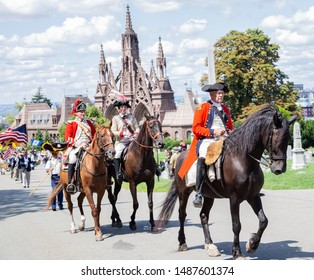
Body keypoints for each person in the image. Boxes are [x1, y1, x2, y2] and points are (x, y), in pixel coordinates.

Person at [178, 82, 234, 208]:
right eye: (218, 93)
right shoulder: (202, 107)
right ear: (212, 94)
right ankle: (198, 192)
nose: (221, 95)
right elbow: (196, 128)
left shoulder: (225, 109)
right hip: (207, 139)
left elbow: (230, 127)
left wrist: (232, 132)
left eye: (222, 93)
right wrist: (213, 132)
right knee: (204, 153)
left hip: (224, 138)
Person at [64, 99, 96, 194]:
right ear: (76, 113)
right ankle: (70, 183)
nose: (83, 113)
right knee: (73, 158)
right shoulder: (71, 123)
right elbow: (68, 138)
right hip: (77, 146)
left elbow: (94, 135)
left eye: (83, 111)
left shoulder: (89, 123)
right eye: (80, 111)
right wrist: (79, 144)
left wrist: (92, 143)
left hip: (89, 146)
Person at [111, 98, 140, 184]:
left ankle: (155, 168)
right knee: (117, 153)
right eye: (122, 107)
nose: (123, 108)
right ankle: (118, 174)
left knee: (144, 148)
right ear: (119, 108)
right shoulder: (115, 118)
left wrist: (135, 133)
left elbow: (137, 127)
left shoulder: (131, 117)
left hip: (132, 140)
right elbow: (113, 130)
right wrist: (121, 134)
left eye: (125, 107)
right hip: (122, 141)